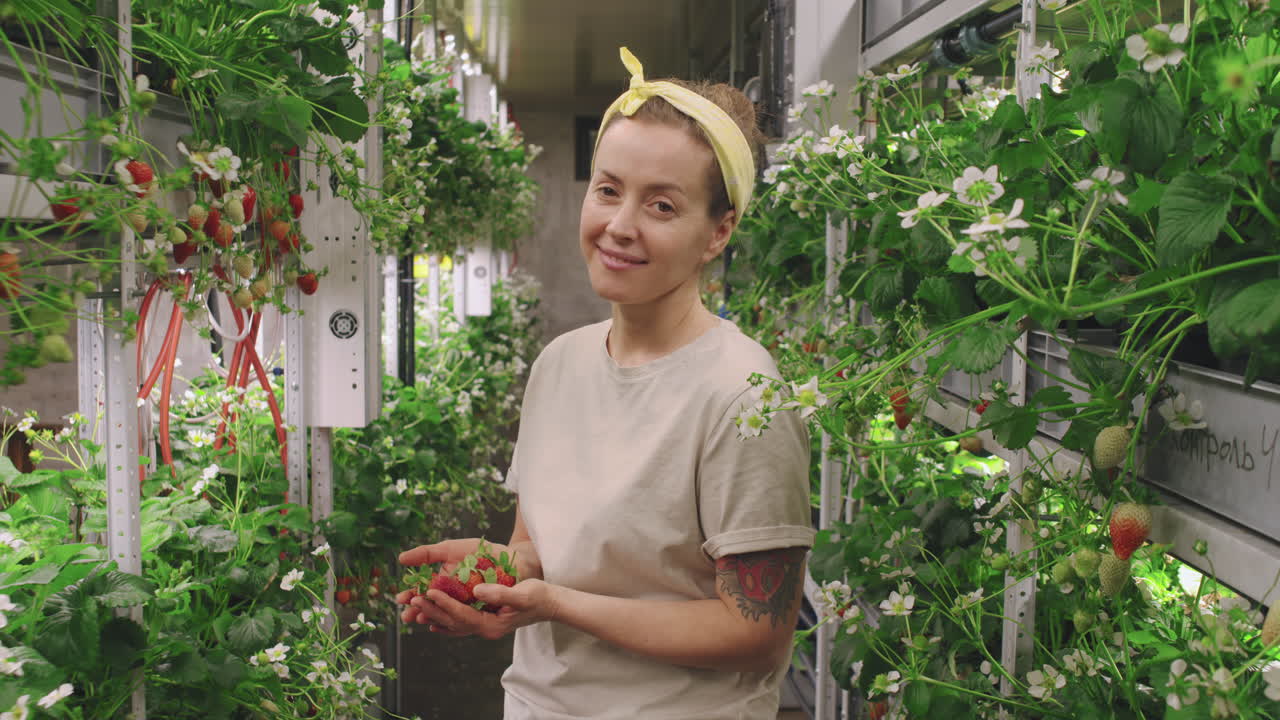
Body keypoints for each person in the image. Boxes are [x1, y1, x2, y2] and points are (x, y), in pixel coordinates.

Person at [396, 47, 815, 720]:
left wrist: (556, 604)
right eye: (609, 189)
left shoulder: (742, 395)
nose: (620, 226)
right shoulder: (560, 363)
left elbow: (757, 634)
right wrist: (503, 575)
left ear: (718, 233)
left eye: (662, 205)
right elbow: (540, 550)